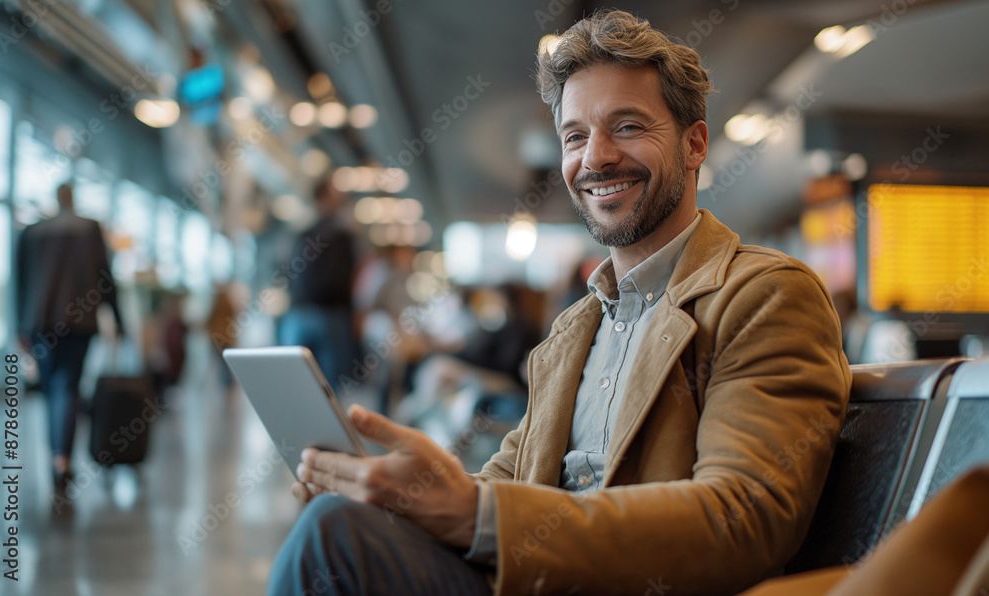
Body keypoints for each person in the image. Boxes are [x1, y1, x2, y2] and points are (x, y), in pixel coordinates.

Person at [268, 9, 851, 596]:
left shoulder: (764, 295)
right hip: (535, 580)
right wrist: (401, 496)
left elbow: (743, 519)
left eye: (627, 126)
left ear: (694, 142)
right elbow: (507, 481)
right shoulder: (577, 327)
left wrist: (473, 513)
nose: (595, 158)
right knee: (349, 524)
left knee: (333, 537)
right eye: (575, 137)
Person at [16, 183, 122, 493]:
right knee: (67, 387)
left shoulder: (32, 232)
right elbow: (105, 278)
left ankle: (57, 457)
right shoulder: (89, 230)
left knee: (52, 389)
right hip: (78, 323)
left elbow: (21, 282)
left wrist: (20, 327)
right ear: (72, 200)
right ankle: (61, 460)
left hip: (41, 324)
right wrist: (118, 320)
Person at [276, 174, 358, 385]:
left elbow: (286, 271)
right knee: (329, 387)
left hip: (300, 314)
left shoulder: (300, 234)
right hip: (329, 317)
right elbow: (345, 279)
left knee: (296, 383)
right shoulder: (341, 235)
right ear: (325, 196)